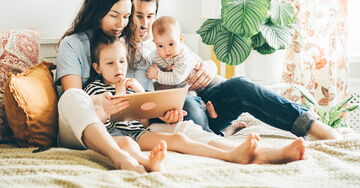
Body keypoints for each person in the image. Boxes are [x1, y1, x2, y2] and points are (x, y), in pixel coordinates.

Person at [129, 0, 342, 140]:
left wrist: (211, 68)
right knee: (187, 107)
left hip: (202, 106)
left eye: (150, 16)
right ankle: (220, 135)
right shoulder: (119, 51)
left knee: (240, 85)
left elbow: (207, 73)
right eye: (139, 16)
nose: (144, 23)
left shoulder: (167, 41)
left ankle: (312, 126)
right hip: (168, 115)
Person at [85, 32, 306, 165]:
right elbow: (98, 124)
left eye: (122, 62)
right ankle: (232, 156)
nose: (118, 68)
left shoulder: (136, 83)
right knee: (180, 141)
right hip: (118, 138)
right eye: (110, 63)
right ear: (97, 67)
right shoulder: (94, 89)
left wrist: (144, 99)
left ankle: (265, 152)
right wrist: (120, 94)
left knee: (188, 128)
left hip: (141, 132)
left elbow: (143, 122)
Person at [55, 0, 160, 174]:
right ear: (97, 12)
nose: (121, 23)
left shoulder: (125, 44)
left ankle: (230, 153)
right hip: (75, 127)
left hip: (117, 131)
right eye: (114, 15)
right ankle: (118, 159)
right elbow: (75, 98)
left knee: (134, 140)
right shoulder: (71, 44)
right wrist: (104, 102)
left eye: (127, 16)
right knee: (72, 97)